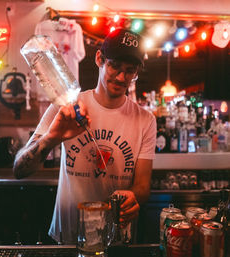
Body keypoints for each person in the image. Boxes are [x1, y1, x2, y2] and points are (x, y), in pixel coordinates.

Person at [13, 28, 157, 244]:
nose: (121, 77)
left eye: (130, 70)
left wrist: (133, 197)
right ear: (99, 58)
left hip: (116, 239)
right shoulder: (65, 105)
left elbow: (143, 187)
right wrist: (52, 138)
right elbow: (19, 169)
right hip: (68, 237)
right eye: (115, 66)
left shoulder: (145, 120)